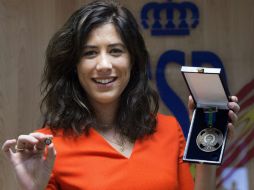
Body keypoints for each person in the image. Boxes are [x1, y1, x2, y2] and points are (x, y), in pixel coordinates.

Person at [1, 0, 240, 190]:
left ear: (133, 61)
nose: (104, 65)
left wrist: (208, 152)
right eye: (90, 53)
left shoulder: (169, 130)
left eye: (116, 51)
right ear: (74, 65)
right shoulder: (46, 146)